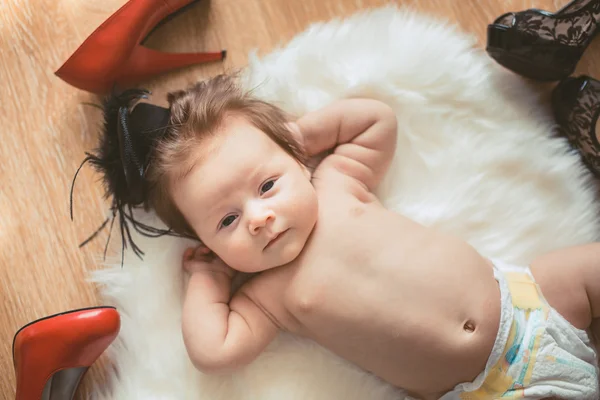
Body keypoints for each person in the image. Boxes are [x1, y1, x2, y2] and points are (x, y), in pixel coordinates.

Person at [86, 74, 599, 399]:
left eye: (267, 184)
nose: (260, 217)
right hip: (488, 389)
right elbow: (213, 352)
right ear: (203, 240)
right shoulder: (271, 297)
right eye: (226, 222)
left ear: (296, 160)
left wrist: (298, 136)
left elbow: (376, 120)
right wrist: (207, 279)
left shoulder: (336, 183)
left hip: (532, 300)